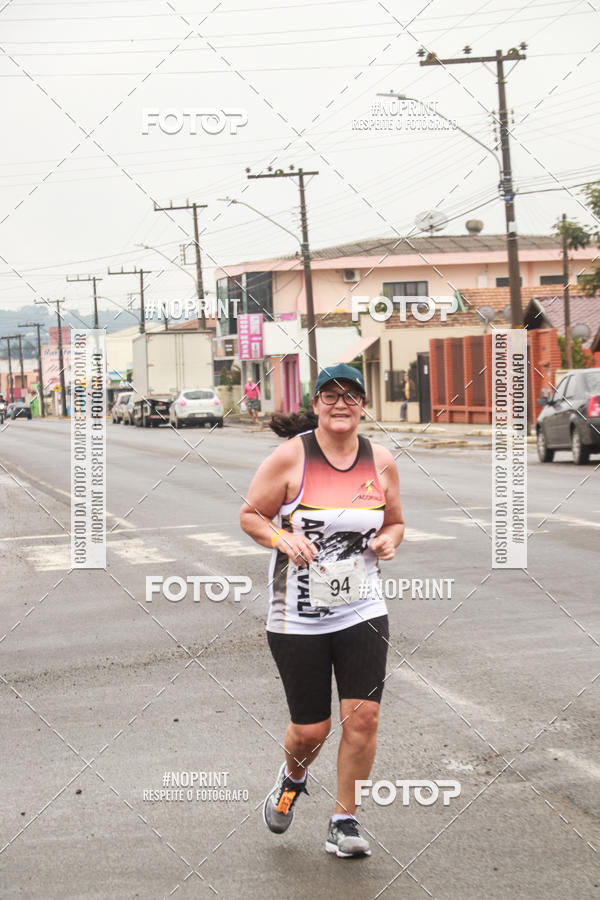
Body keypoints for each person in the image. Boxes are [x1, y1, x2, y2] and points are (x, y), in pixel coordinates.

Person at [240, 363, 404, 858]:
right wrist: (282, 538)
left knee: (364, 718)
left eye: (350, 395)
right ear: (315, 405)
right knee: (312, 730)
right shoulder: (292, 456)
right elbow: (251, 514)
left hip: (362, 608)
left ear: (363, 405)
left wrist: (389, 540)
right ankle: (292, 778)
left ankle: (344, 821)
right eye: (330, 396)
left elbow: (395, 522)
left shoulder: (381, 461)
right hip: (297, 615)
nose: (340, 404)